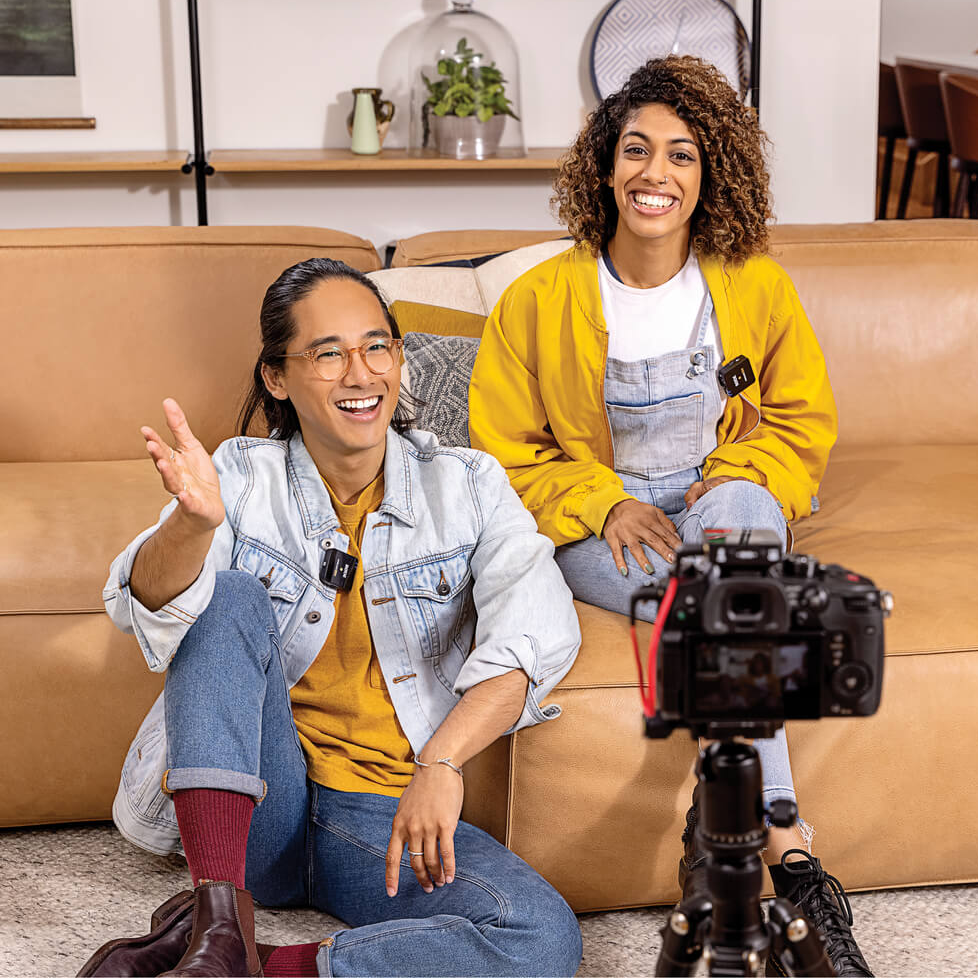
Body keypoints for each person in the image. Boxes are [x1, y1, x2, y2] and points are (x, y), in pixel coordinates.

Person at [469, 56, 872, 976]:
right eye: (637, 150)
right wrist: (600, 498)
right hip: (599, 528)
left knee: (729, 534)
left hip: (723, 508)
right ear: (605, 168)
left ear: (709, 173)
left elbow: (800, 426)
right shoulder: (538, 300)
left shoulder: (754, 286)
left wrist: (726, 474)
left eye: (681, 155)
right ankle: (789, 859)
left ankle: (750, 841)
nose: (656, 173)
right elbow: (501, 454)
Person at [81, 259, 583, 978]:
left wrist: (441, 762)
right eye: (328, 353)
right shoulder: (242, 475)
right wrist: (191, 529)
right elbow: (146, 609)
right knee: (229, 595)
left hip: (382, 816)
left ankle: (245, 962)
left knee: (540, 937)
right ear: (277, 378)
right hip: (262, 805)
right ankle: (217, 909)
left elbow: (535, 636)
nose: (361, 373)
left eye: (377, 347)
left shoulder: (469, 485)